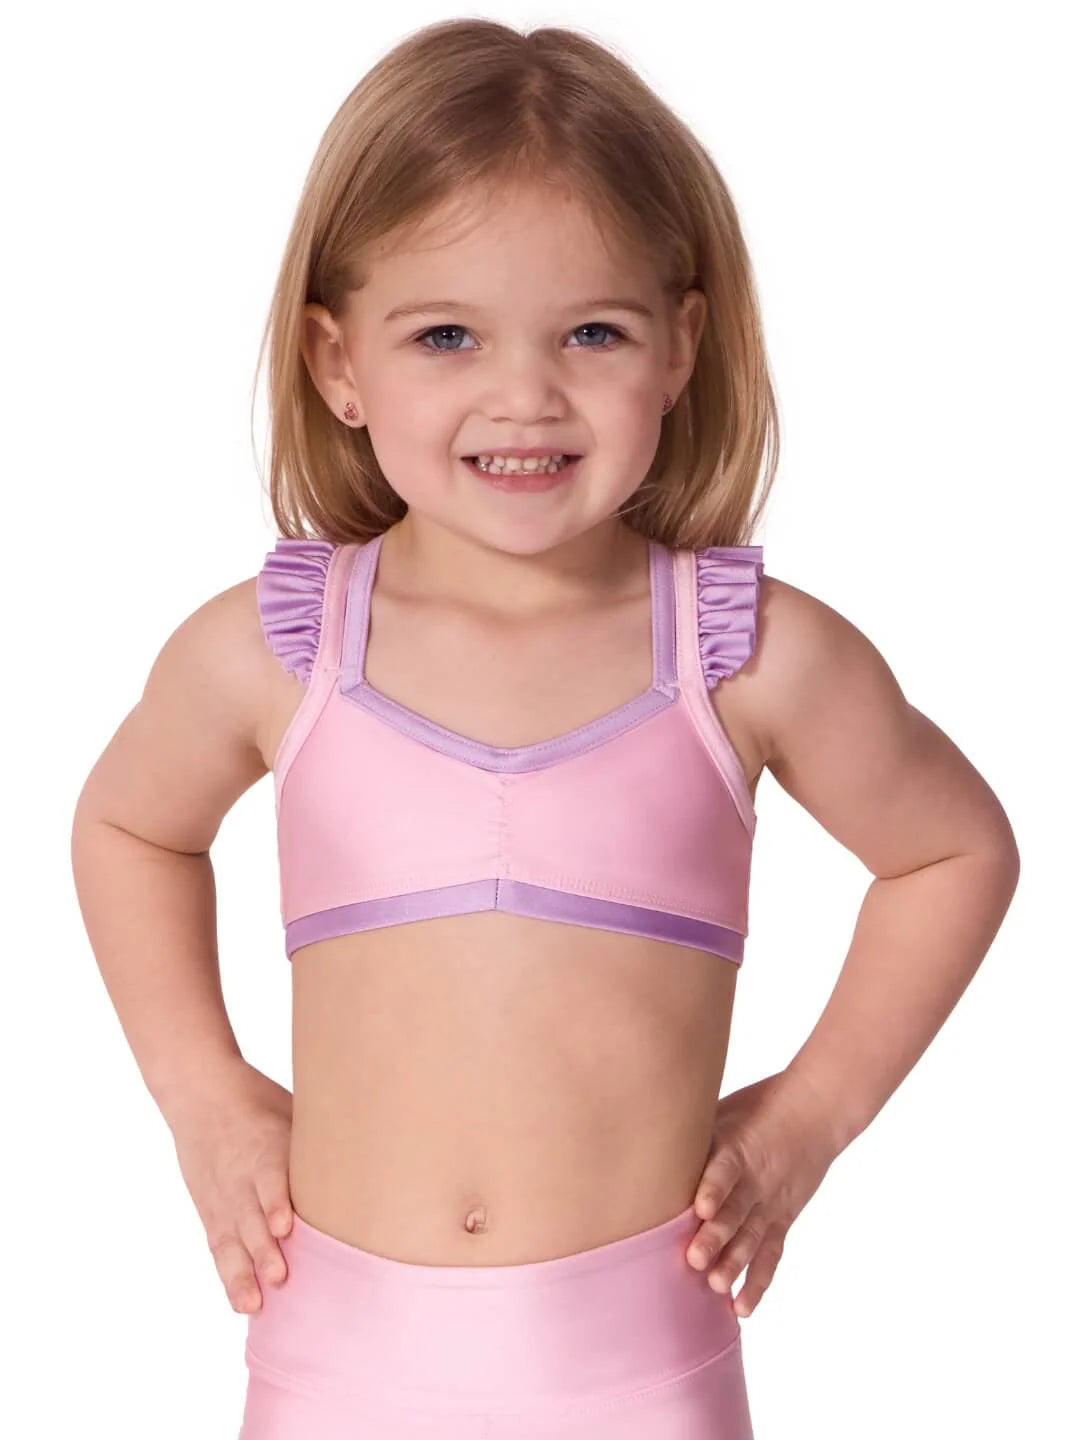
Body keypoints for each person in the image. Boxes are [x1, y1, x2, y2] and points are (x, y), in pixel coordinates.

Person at [69, 18, 1021, 1440]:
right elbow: (129, 826)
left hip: (639, 1374)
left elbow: (952, 851)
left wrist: (807, 1122)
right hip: (335, 1367)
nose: (525, 394)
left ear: (681, 345)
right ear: (337, 360)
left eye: (592, 332)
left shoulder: (747, 655)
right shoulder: (276, 649)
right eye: (446, 335)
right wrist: (205, 1097)